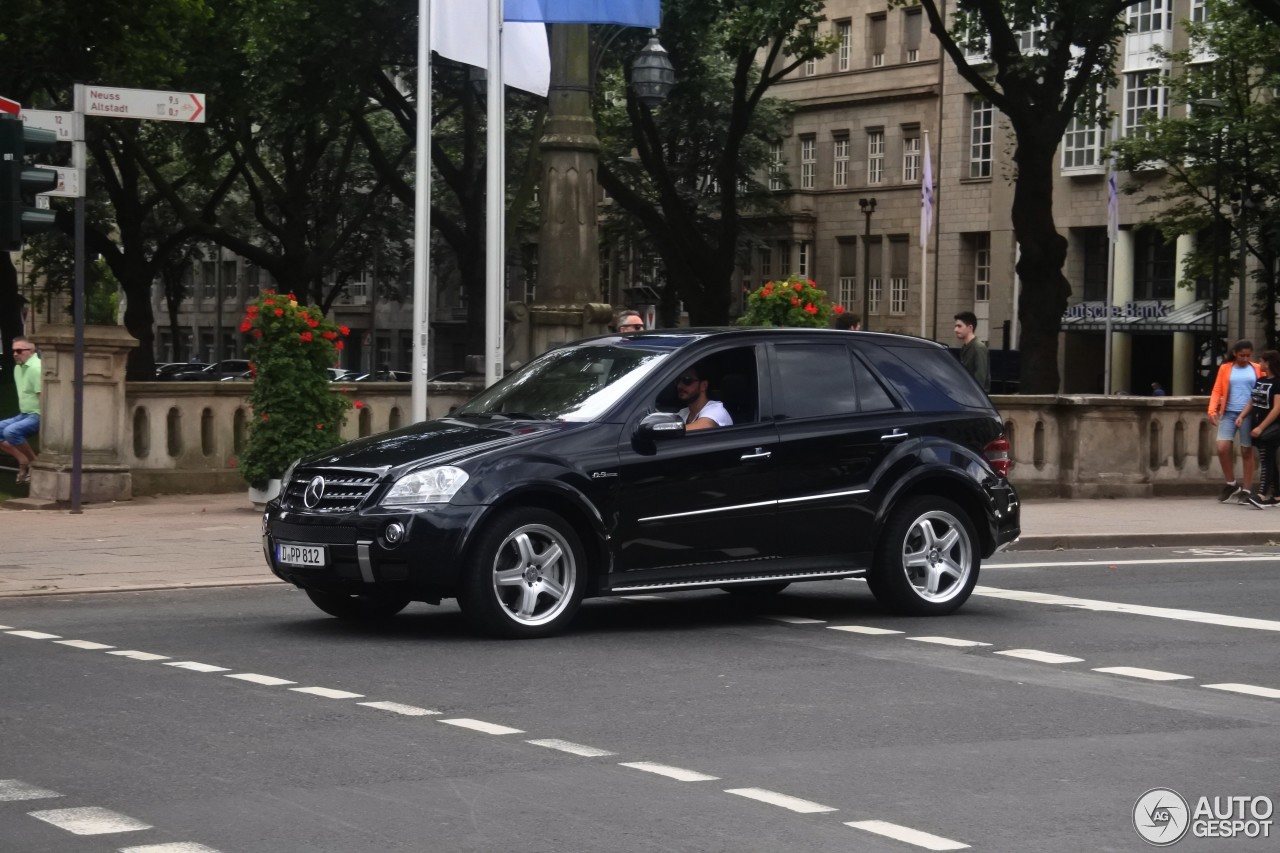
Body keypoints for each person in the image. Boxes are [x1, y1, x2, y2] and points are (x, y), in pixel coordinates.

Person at [1208, 339, 1262, 504]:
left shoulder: (1257, 368)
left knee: (1246, 451)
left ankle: (1246, 489)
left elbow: (1263, 388)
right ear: (1235, 354)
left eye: (1248, 355)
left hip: (1248, 413)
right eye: (1242, 355)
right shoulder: (1226, 368)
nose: (1245, 358)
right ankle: (1231, 484)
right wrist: (1212, 410)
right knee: (1222, 447)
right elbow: (1217, 389)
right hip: (1229, 411)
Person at [1242, 350, 1280, 508]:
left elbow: (1277, 408)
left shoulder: (1278, 382)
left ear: (1269, 363)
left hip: (1271, 428)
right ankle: (1277, 495)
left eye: (1262, 361)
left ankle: (1261, 495)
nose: (1260, 364)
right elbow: (1253, 401)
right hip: (1258, 425)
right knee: (1270, 460)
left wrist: (1261, 427)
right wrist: (1242, 416)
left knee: (1265, 460)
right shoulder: (1260, 380)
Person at [1, 336, 42, 484]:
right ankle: (22, 459)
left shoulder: (37, 368)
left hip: (38, 414)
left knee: (11, 432)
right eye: (13, 351)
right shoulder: (18, 368)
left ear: (31, 351)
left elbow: (43, 397)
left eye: (19, 351)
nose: (15, 354)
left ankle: (35, 463)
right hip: (25, 413)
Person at [674, 363, 732, 430]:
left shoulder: (716, 410)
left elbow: (705, 424)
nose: (679, 386)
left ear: (704, 385)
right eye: (678, 381)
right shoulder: (684, 413)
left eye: (687, 380)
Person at [954, 311, 990, 391]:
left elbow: (980, 379)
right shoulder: (965, 348)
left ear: (970, 327)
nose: (955, 329)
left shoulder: (978, 347)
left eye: (959, 326)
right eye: (955, 326)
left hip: (975, 399)